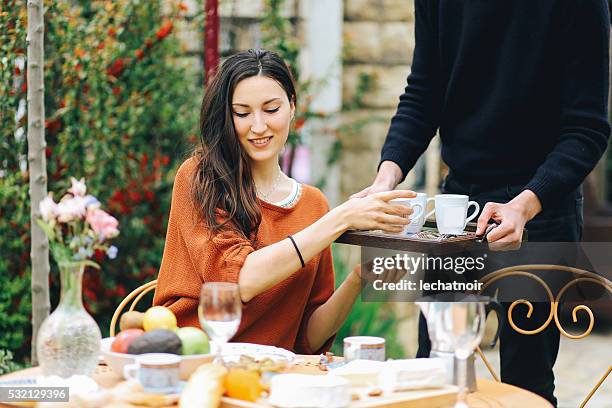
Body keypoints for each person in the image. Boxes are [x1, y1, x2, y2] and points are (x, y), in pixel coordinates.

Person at [353, 1, 610, 405]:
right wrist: (386, 178)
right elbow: (424, 93)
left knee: (526, 387)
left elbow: (588, 126)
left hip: (541, 213)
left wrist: (525, 205)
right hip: (460, 209)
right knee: (438, 373)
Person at [153, 49, 416, 355]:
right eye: (242, 113)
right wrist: (340, 219)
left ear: (292, 107)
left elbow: (308, 338)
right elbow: (239, 280)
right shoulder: (200, 178)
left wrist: (360, 276)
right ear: (226, 116)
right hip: (191, 363)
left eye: (271, 109)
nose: (259, 126)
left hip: (272, 377)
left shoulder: (313, 204)